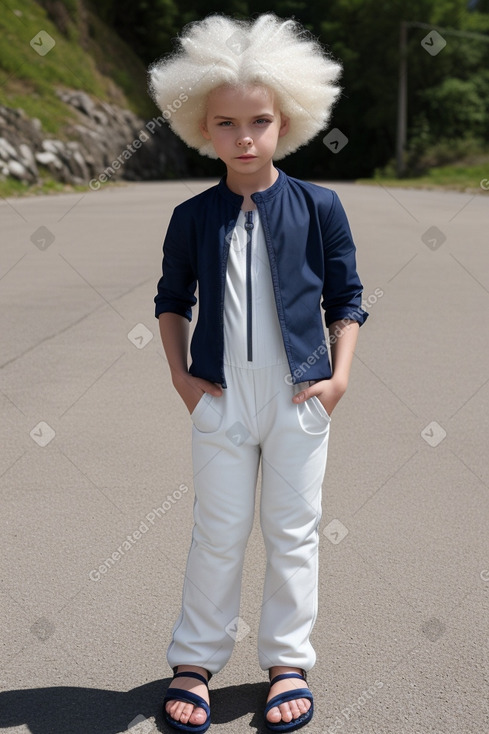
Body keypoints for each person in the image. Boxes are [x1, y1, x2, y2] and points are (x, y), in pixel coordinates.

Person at [149, 13, 368, 733]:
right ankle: (194, 660)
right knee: (217, 528)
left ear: (287, 120)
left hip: (300, 393)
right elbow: (170, 300)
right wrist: (183, 380)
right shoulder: (191, 216)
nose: (243, 138)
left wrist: (336, 381)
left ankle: (285, 663)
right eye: (225, 123)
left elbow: (348, 301)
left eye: (259, 121)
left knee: (293, 530)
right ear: (200, 127)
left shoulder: (319, 206)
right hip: (219, 396)